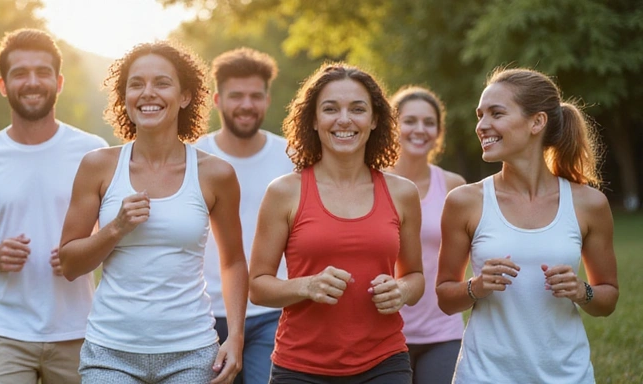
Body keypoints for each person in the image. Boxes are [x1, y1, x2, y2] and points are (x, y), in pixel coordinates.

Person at [59, 40, 249, 384]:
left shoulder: (215, 174)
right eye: (136, 84)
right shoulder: (98, 167)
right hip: (109, 354)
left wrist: (235, 336)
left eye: (162, 83)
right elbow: (70, 264)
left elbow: (233, 260)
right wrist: (115, 228)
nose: (148, 93)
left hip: (191, 354)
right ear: (125, 97)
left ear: (185, 96)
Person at [437, 68, 619, 383]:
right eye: (480, 116)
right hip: (484, 375)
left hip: (567, 375)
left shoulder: (589, 204)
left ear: (536, 122)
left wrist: (582, 290)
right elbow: (444, 297)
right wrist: (476, 286)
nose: (481, 126)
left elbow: (608, 299)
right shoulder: (465, 201)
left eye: (496, 113)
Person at [0, 28, 108, 383]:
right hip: (5, 331)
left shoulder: (93, 151)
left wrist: (79, 253)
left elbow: (115, 236)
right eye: (20, 73)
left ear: (59, 81)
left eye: (42, 72)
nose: (32, 81)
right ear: (3, 85)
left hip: (80, 331)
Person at [249, 63, 424, 383]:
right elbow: (258, 287)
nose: (344, 119)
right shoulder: (284, 192)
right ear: (314, 120)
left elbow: (415, 277)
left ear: (374, 120)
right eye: (331, 109)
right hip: (300, 367)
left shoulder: (402, 193)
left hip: (384, 362)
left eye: (357, 109)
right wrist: (306, 285)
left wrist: (401, 289)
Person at [193, 47, 294, 384]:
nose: (247, 105)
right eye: (236, 96)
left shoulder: (292, 156)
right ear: (218, 100)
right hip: (203, 313)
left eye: (255, 96)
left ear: (267, 100)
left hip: (273, 311)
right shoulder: (192, 156)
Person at [386, 86, 466, 383]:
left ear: (438, 132)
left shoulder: (454, 185)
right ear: (392, 126)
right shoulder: (371, 182)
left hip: (442, 330)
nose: (420, 129)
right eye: (410, 121)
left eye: (429, 122)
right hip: (382, 333)